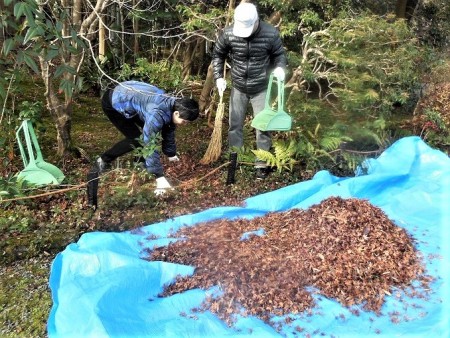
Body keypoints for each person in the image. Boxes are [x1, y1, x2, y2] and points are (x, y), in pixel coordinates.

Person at [212, 2, 287, 179]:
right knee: (234, 125)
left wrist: (281, 68)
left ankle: (262, 162)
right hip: (238, 86)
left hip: (261, 87)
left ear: (255, 21)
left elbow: (279, 55)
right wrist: (218, 77)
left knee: (263, 126)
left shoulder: (270, 33)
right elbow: (218, 54)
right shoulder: (229, 33)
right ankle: (234, 158)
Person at [96, 80, 199, 195]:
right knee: (136, 139)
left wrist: (171, 154)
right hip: (114, 102)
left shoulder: (173, 104)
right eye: (184, 121)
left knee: (150, 131)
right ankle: (104, 159)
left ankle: (139, 163)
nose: (184, 124)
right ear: (176, 114)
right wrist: (159, 176)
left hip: (131, 99)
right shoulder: (157, 112)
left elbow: (168, 128)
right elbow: (149, 141)